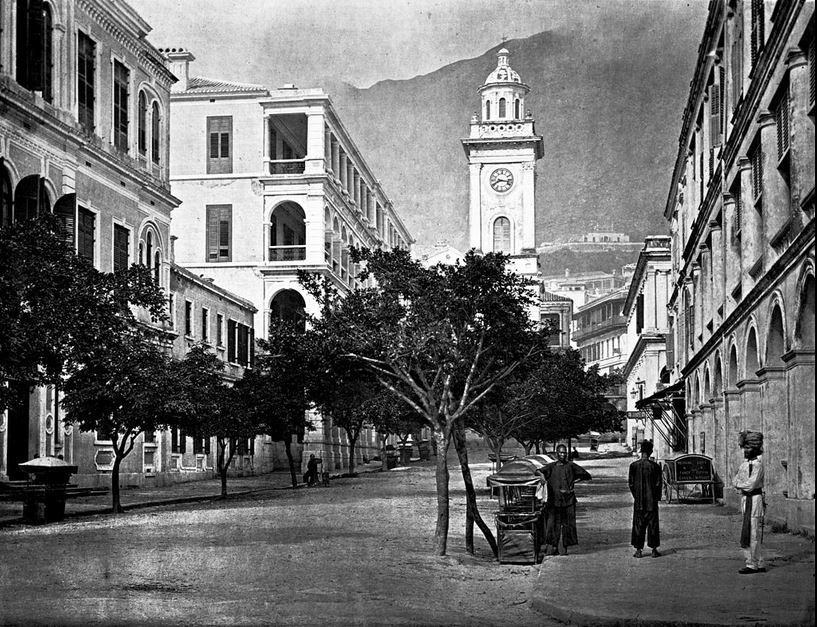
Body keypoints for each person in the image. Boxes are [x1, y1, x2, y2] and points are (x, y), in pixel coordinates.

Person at [537, 444, 592, 555]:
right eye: (561, 453)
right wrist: (542, 476)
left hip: (569, 501)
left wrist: (573, 482)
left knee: (568, 525)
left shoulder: (571, 466)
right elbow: (537, 471)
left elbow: (586, 475)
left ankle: (565, 547)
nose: (563, 455)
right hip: (554, 501)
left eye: (564, 453)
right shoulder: (551, 466)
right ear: (557, 454)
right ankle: (553, 547)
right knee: (553, 524)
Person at [732, 430, 765, 574]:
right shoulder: (745, 464)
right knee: (748, 530)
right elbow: (735, 479)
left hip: (755, 500)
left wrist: (740, 484)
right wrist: (739, 483)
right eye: (744, 447)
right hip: (746, 499)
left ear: (755, 449)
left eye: (748, 448)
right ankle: (757, 561)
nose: (745, 450)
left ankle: (753, 564)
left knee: (753, 533)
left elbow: (751, 485)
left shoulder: (758, 465)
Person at [629, 439, 662, 558]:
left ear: (641, 451)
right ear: (650, 452)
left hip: (639, 502)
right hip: (651, 502)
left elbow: (631, 484)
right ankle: (654, 550)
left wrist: (637, 496)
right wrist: (656, 498)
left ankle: (638, 550)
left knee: (638, 526)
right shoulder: (655, 466)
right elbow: (658, 484)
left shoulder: (633, 466)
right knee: (653, 526)